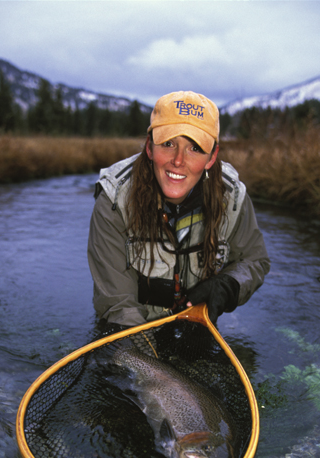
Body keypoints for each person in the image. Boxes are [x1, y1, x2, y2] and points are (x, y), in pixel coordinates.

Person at [88, 91, 270, 330]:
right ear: (150, 148)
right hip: (129, 331)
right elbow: (119, 306)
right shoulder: (114, 199)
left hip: (198, 326)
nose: (178, 160)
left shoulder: (232, 196)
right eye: (168, 143)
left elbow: (254, 260)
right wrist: (148, 361)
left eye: (194, 148)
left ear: (212, 157)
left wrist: (229, 284)